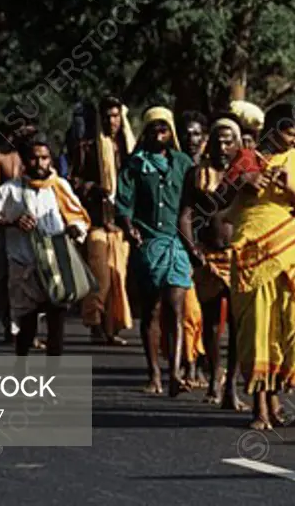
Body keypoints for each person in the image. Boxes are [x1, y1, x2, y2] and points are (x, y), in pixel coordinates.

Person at [222, 103, 295, 430]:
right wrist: (245, 180)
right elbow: (220, 201)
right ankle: (260, 408)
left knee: (294, 326)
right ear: (271, 130)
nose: (294, 140)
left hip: (293, 255)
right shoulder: (245, 158)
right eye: (288, 132)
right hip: (253, 258)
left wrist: (290, 189)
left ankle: (276, 396)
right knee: (258, 331)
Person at [0, 136, 90, 356]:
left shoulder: (59, 187)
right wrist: (11, 222)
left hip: (56, 263)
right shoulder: (11, 190)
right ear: (26, 162)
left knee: (56, 323)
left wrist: (75, 228)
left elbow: (76, 216)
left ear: (51, 161)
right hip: (23, 266)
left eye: (44, 158)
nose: (40, 164)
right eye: (34, 159)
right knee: (26, 329)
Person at [116, 107, 195, 396]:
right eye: (153, 129)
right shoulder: (134, 164)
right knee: (151, 310)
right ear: (146, 132)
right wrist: (128, 226)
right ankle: (154, 374)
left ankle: (174, 372)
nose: (158, 134)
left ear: (171, 132)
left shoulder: (184, 163)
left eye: (164, 129)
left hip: (177, 243)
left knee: (176, 308)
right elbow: (123, 203)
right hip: (147, 242)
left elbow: (193, 202)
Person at [179, 114, 247, 410]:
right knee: (209, 323)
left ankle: (232, 384)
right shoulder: (196, 174)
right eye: (217, 140)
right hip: (207, 255)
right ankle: (214, 379)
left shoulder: (246, 174)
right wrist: (191, 246)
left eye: (228, 141)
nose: (222, 146)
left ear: (238, 145)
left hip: (239, 256)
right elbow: (185, 214)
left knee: (237, 323)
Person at [68, 96, 136, 346]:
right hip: (96, 221)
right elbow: (72, 179)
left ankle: (111, 328)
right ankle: (94, 323)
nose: (112, 121)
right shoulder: (88, 147)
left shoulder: (130, 147)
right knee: (100, 277)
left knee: (119, 277)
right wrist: (93, 188)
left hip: (122, 223)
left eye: (116, 115)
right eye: (107, 116)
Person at [170, 109, 210, 387]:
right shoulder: (173, 166)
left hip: (211, 248)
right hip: (182, 245)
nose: (191, 138)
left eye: (197, 133)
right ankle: (188, 363)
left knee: (208, 315)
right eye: (187, 133)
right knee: (187, 311)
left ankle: (205, 364)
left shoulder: (212, 168)